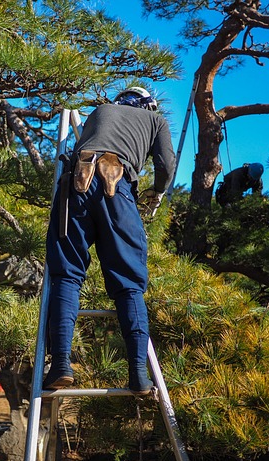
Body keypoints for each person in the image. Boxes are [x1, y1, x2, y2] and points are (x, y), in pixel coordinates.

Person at [43, 87, 175, 394]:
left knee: (67, 274)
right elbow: (166, 166)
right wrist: (155, 194)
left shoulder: (99, 112)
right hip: (119, 188)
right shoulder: (156, 120)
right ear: (149, 105)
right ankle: (139, 375)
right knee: (129, 283)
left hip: (76, 183)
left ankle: (61, 365)